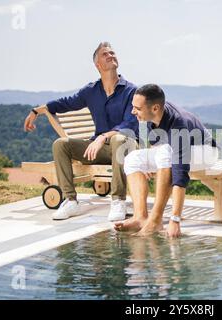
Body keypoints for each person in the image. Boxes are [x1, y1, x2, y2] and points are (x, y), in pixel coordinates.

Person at [24, 42, 138, 221]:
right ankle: (70, 200)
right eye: (105, 54)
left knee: (118, 139)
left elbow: (130, 125)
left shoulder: (131, 91)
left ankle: (118, 201)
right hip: (100, 150)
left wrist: (103, 137)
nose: (110, 55)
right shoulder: (91, 91)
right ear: (98, 65)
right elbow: (66, 103)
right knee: (61, 145)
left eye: (112, 52)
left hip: (125, 147)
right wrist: (36, 110)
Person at [114, 84, 219, 238]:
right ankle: (140, 217)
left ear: (155, 108)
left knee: (165, 152)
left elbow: (180, 175)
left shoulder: (178, 125)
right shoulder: (149, 118)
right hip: (171, 148)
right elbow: (153, 144)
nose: (133, 111)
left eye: (137, 108)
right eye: (133, 106)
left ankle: (156, 220)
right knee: (132, 158)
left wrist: (175, 220)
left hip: (205, 151)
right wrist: (147, 164)